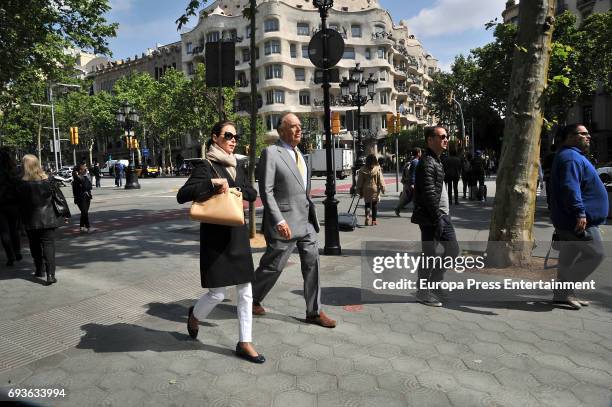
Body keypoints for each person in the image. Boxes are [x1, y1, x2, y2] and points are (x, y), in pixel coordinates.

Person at [176, 120, 264, 363]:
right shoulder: (206, 166)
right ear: (215, 137)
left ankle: (244, 342)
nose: (233, 139)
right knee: (217, 294)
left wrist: (239, 191)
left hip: (237, 234)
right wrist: (212, 185)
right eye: (228, 135)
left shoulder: (238, 166)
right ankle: (194, 315)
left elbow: (252, 193)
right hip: (215, 237)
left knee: (245, 291)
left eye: (236, 136)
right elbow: (182, 196)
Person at [252, 112, 336, 328]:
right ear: (281, 131)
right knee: (274, 266)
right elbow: (266, 191)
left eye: (300, 126)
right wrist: (278, 220)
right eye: (293, 126)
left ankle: (314, 311)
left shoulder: (300, 154)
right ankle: (251, 298)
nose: (299, 129)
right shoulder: (271, 153)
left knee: (312, 263)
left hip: (306, 220)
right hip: (285, 223)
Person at [550, 124, 607, 310]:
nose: (587, 136)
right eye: (582, 134)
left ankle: (562, 294)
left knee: (568, 258)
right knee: (596, 254)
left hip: (570, 220)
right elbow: (570, 187)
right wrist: (580, 213)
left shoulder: (571, 156)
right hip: (578, 221)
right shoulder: (571, 158)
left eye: (588, 133)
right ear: (568, 137)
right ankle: (564, 291)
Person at [411, 126, 460, 307]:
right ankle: (422, 292)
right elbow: (429, 194)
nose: (446, 139)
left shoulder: (436, 160)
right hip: (432, 216)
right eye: (442, 136)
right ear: (430, 140)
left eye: (446, 136)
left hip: (442, 215)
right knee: (429, 254)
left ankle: (434, 283)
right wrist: (437, 217)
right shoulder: (427, 163)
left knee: (452, 250)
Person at [17, 154, 69, 285]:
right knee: (48, 246)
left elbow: (18, 204)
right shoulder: (49, 180)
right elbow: (59, 198)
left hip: (30, 220)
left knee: (34, 245)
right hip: (48, 218)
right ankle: (50, 275)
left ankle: (39, 269)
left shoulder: (21, 184)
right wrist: (66, 214)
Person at [0, 148, 22, 266]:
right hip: (13, 204)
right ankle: (17, 251)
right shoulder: (14, 171)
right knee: (14, 229)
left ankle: (10, 256)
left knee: (4, 231)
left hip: (1, 205)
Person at [357, 154, 386, 226]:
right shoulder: (377, 168)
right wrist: (383, 188)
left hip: (366, 188)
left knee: (367, 204)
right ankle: (374, 220)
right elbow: (381, 179)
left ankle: (367, 216)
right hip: (374, 188)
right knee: (374, 204)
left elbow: (359, 181)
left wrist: (359, 189)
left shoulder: (362, 169)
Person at [395, 147, 421, 216]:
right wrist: (412, 184)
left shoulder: (413, 161)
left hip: (409, 183)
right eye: (420, 152)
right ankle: (417, 213)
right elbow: (413, 173)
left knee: (409, 198)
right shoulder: (415, 162)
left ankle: (398, 208)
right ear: (418, 153)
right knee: (413, 198)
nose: (421, 153)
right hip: (412, 184)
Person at [72, 163, 93, 233]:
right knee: (84, 212)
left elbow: (90, 187)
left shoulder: (86, 177)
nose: (86, 169)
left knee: (84, 212)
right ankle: (88, 227)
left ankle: (81, 227)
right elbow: (85, 186)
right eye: (84, 168)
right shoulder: (76, 179)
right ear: (80, 170)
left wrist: (86, 176)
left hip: (87, 197)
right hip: (80, 198)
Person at [542, 144, 557, 209]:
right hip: (557, 176)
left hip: (549, 176)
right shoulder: (558, 156)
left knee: (549, 190)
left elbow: (543, 166)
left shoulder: (548, 156)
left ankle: (550, 204)